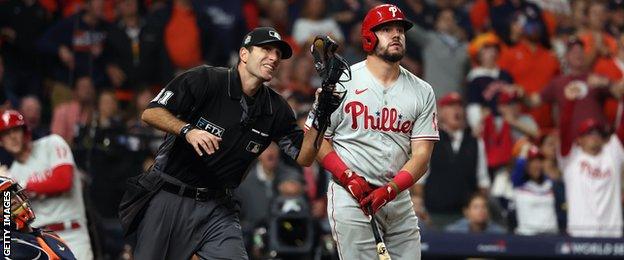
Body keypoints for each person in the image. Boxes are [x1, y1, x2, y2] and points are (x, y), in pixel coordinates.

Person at [123, 26, 342, 260]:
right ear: (244, 54)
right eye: (266, 49)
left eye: (278, 54)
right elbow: (151, 112)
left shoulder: (275, 108)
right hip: (170, 194)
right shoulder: (206, 79)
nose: (274, 57)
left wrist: (321, 113)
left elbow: (305, 157)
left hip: (218, 206)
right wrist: (187, 130)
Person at [315, 4, 438, 259]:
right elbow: (319, 141)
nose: (396, 34)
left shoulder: (422, 90)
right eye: (386, 29)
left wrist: (391, 190)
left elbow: (422, 155)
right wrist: (347, 176)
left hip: (398, 198)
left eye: (400, 29)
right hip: (351, 195)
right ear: (369, 37)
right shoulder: (342, 82)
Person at [0, 110, 93, 259]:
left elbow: (63, 181)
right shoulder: (11, 173)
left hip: (74, 234)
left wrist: (21, 185)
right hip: (41, 239)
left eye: (15, 130)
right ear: (1, 141)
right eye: (6, 133)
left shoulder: (52, 144)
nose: (12, 137)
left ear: (25, 131)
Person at [0, 176, 77, 259]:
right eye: (2, 201)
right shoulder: (7, 250)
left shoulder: (50, 236)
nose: (12, 201)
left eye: (11, 194)